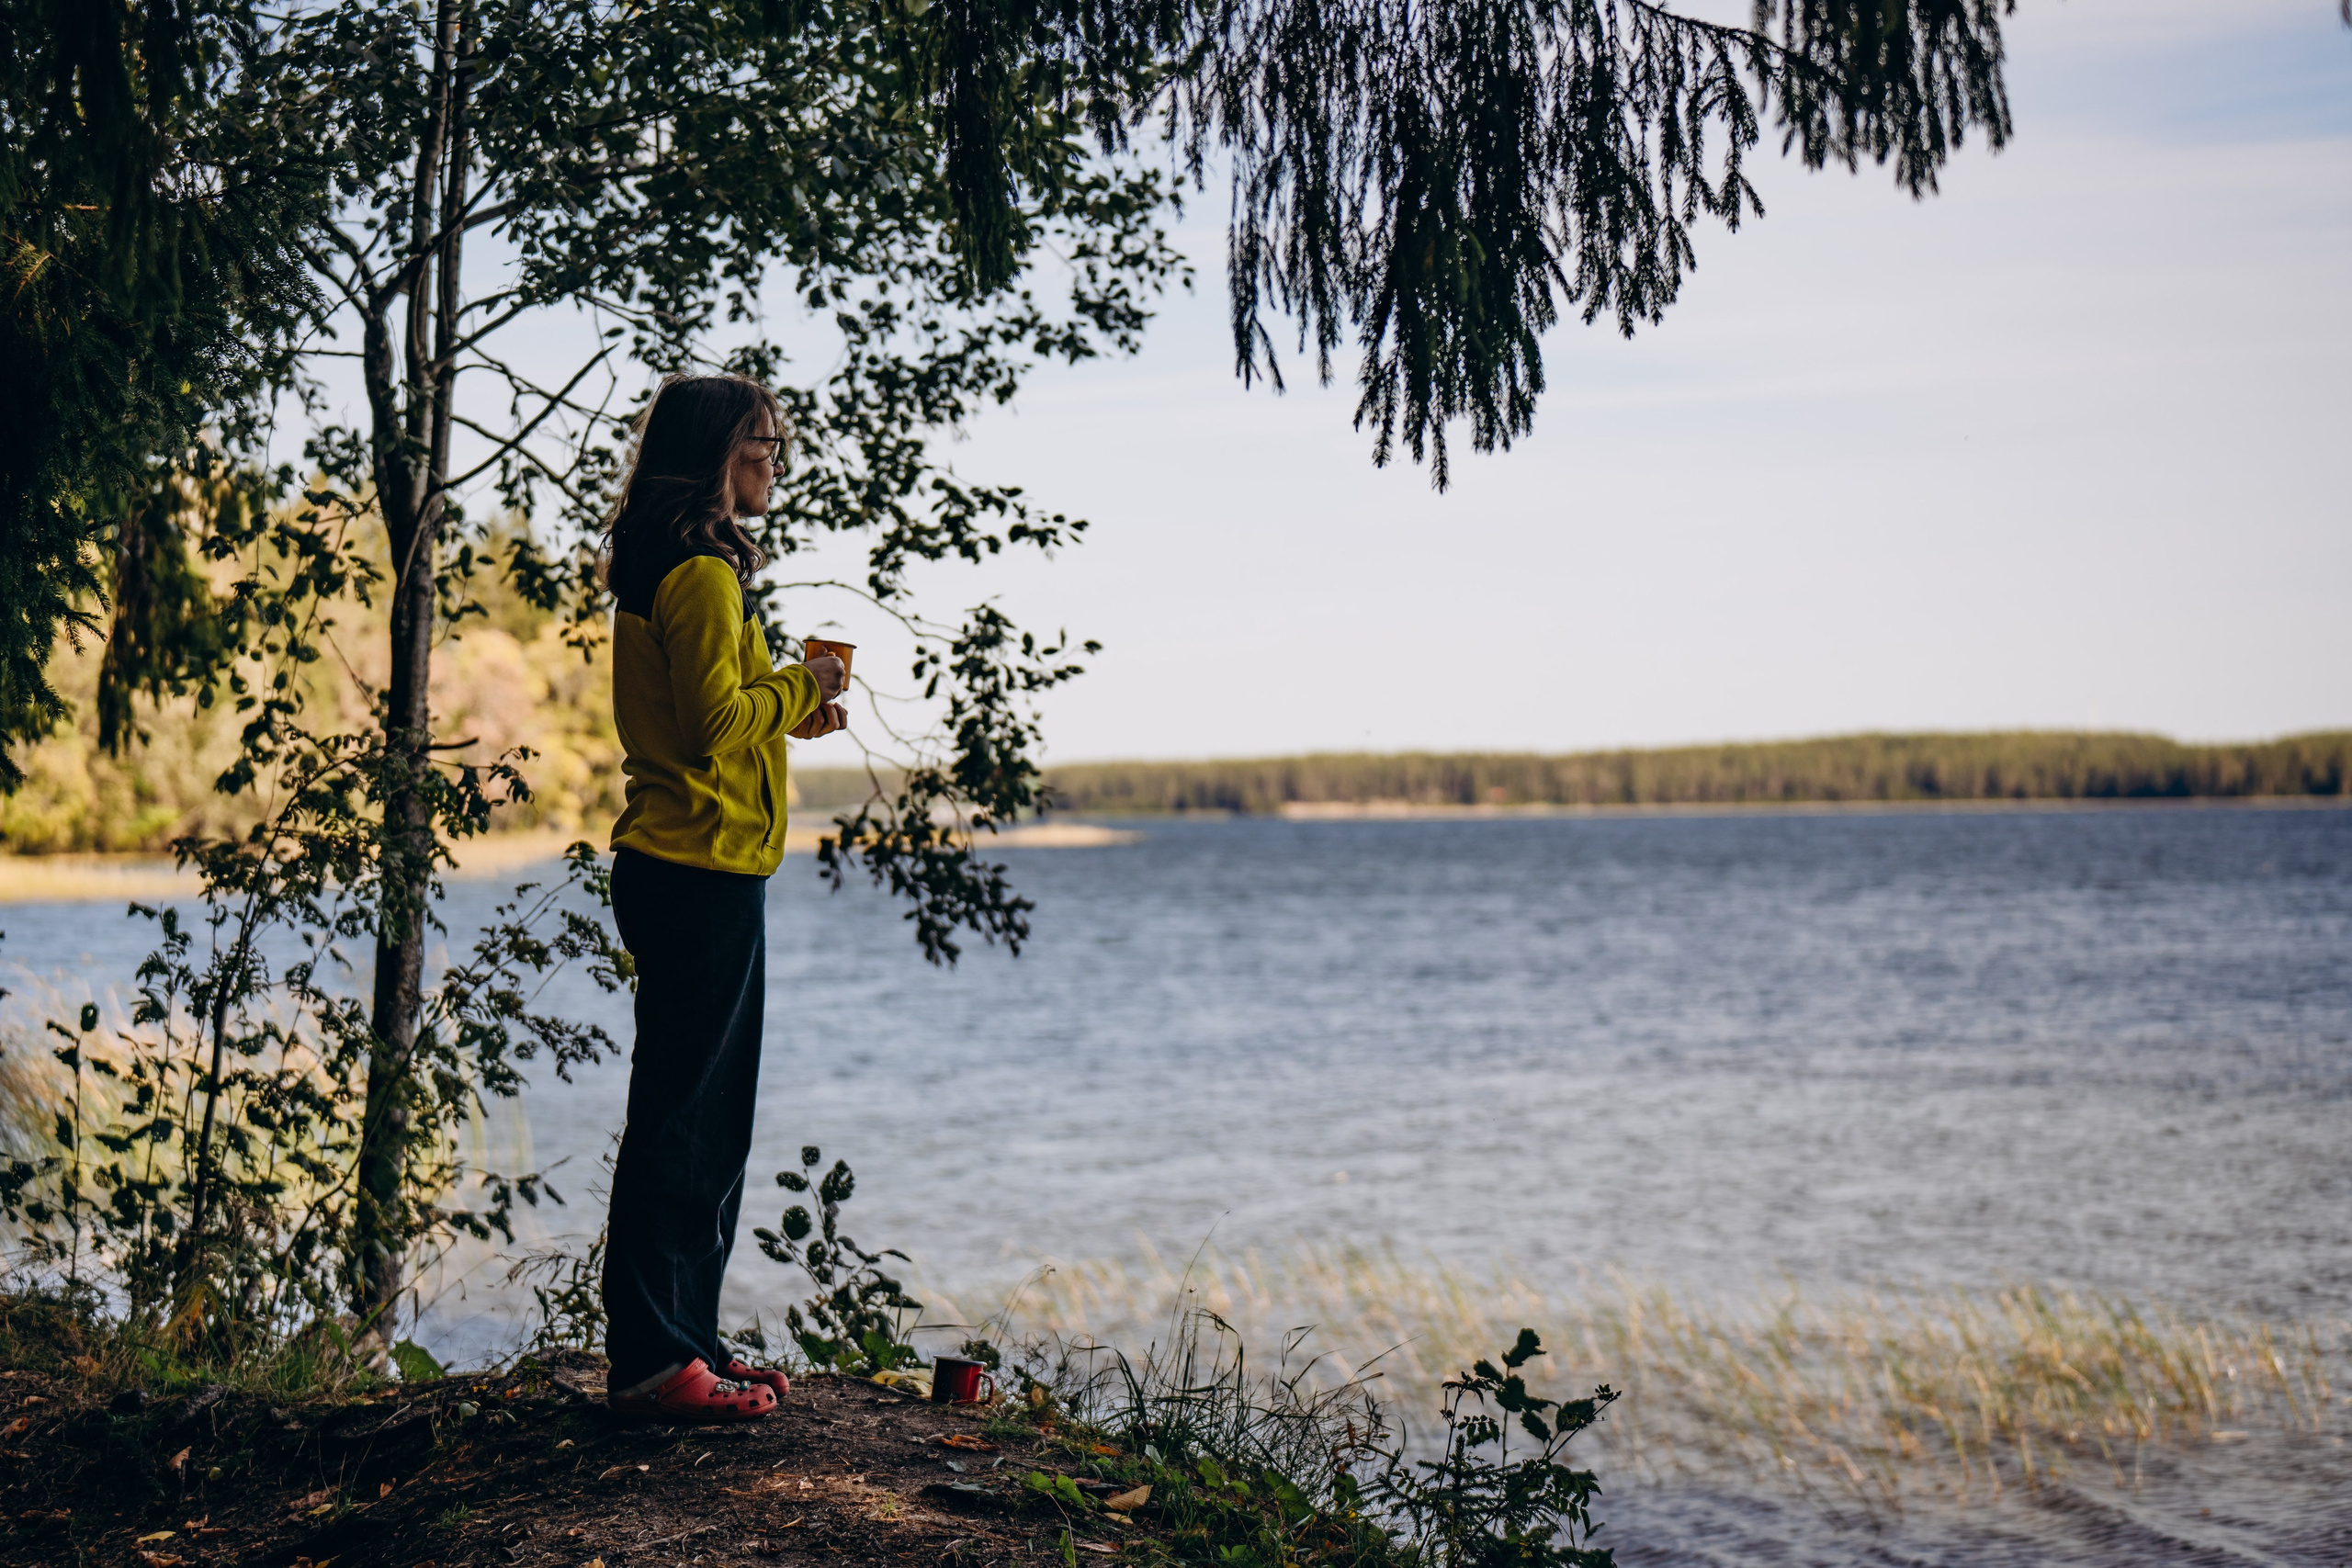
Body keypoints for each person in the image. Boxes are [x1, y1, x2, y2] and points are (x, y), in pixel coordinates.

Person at [595, 374, 848, 1423]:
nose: (774, 462)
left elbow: (715, 715)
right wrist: (807, 687)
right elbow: (710, 727)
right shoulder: (697, 572)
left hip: (698, 868)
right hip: (695, 875)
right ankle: (657, 1363)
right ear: (713, 457)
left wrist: (782, 712)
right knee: (685, 1126)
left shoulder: (681, 568)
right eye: (760, 445)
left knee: (706, 1125)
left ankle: (687, 1346)